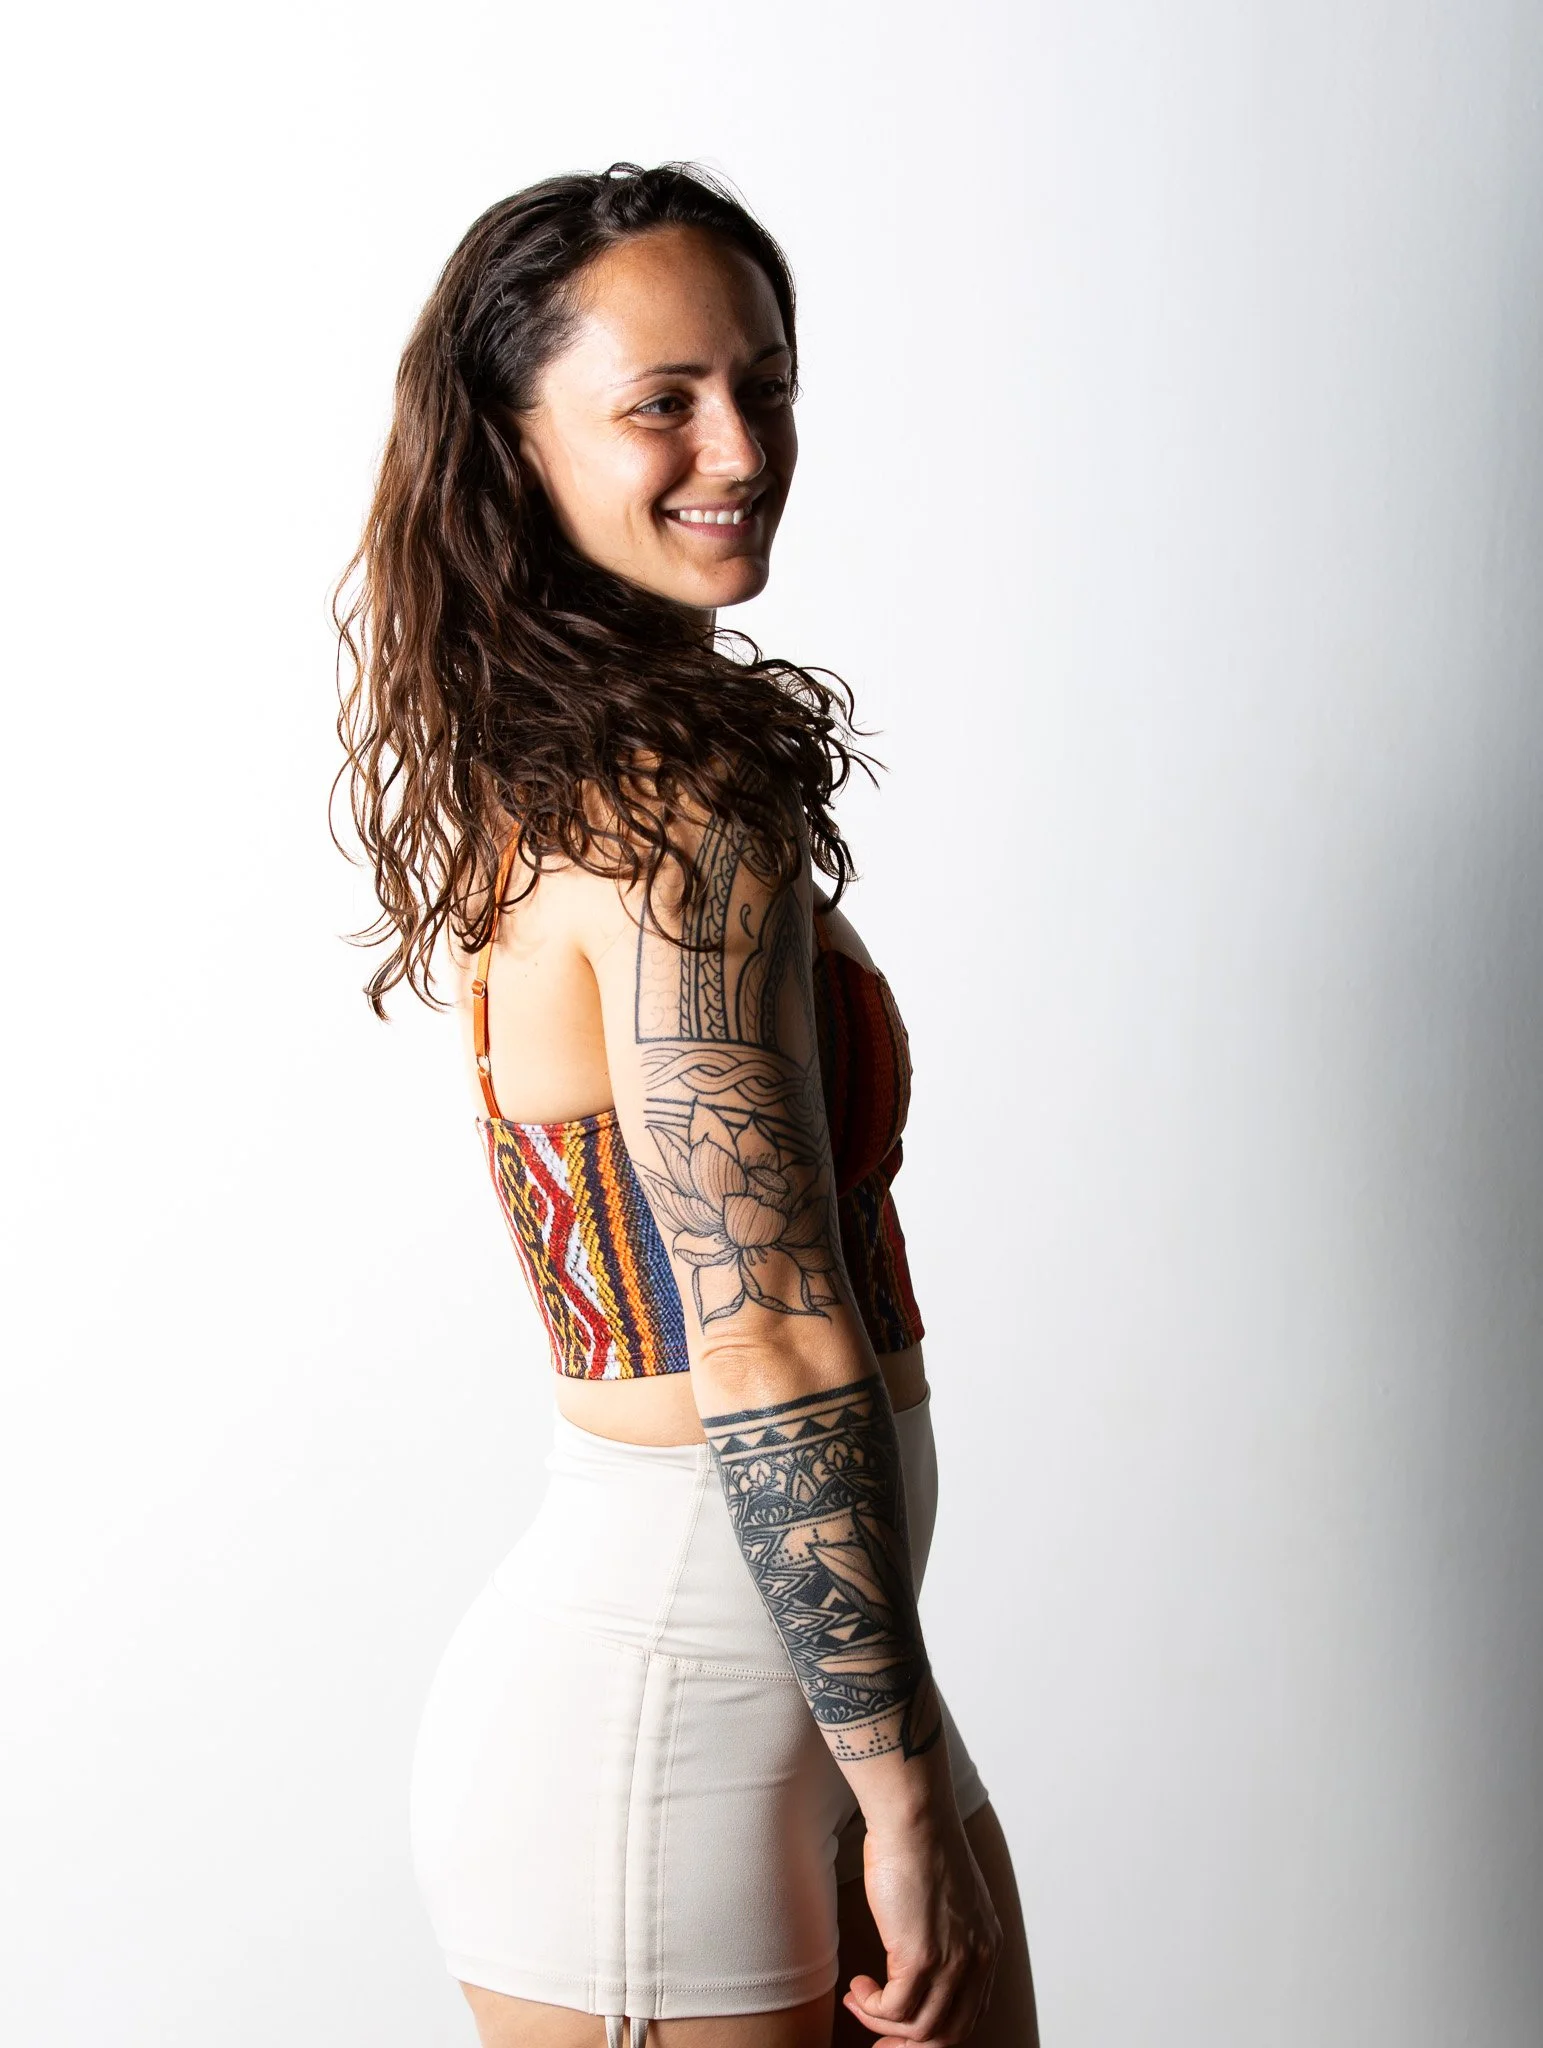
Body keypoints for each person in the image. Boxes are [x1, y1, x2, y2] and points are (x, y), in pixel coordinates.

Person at [334, 161, 1040, 2048]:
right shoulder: (663, 802)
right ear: (515, 444)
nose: (740, 446)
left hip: (809, 1682)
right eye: (662, 400)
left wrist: (893, 1753)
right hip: (665, 1728)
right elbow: (764, 1328)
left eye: (765, 383)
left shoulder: (592, 761)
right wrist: (897, 1795)